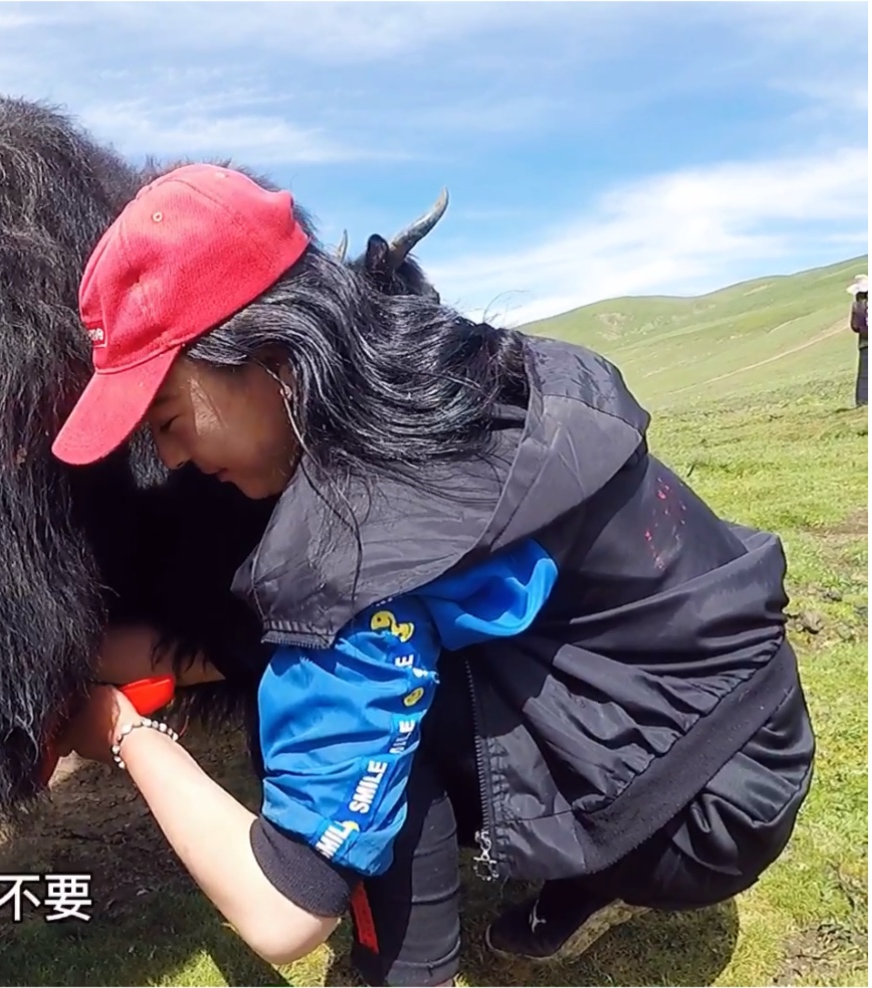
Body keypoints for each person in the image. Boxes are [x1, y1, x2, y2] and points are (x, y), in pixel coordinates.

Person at [48, 164, 815, 987]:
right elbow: (268, 642)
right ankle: (592, 867)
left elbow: (282, 913)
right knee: (340, 674)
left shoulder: (352, 539)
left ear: (271, 352)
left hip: (691, 820)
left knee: (350, 720)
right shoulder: (472, 371)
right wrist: (65, 654)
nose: (168, 460)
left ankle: (406, 973)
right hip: (759, 734)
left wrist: (127, 735)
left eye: (167, 418)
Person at [849, 273, 867, 408]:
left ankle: (862, 401)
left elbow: (854, 326)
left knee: (864, 374)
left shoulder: (856, 306)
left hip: (864, 342)